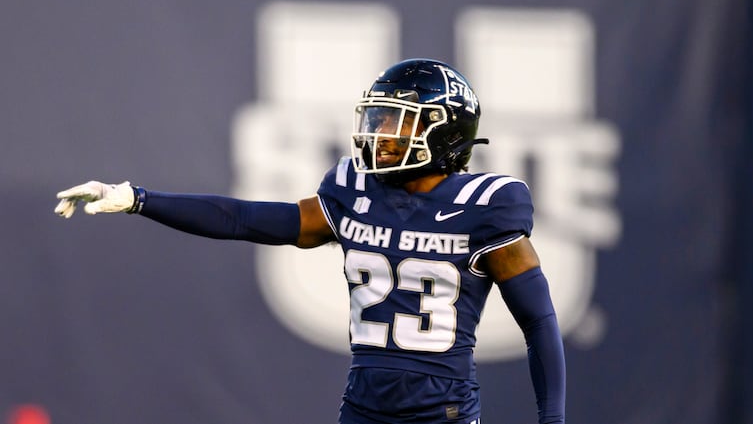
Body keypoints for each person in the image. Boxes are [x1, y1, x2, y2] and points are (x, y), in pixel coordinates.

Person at [54, 59, 566, 424]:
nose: (381, 134)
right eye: (379, 119)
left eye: (396, 122)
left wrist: (553, 419)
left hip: (442, 410)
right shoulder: (355, 191)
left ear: (444, 131)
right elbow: (243, 219)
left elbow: (539, 322)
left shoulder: (486, 205)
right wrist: (139, 198)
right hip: (364, 404)